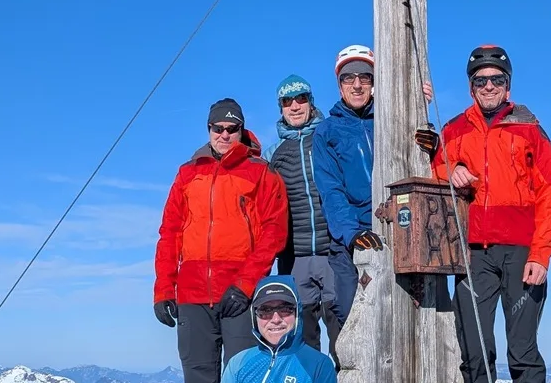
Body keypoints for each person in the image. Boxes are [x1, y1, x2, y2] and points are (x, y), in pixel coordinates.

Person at [414, 45, 551, 383]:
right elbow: (434, 167)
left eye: (497, 79)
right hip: (473, 256)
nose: (489, 86)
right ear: (471, 88)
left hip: (521, 254)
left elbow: (550, 195)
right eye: (480, 81)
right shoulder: (454, 129)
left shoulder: (530, 128)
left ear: (508, 85)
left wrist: (540, 255)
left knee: (522, 352)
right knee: (474, 351)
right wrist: (450, 172)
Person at [153, 98, 290, 383]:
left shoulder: (261, 172)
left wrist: (245, 285)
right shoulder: (188, 173)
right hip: (192, 294)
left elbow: (274, 233)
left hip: (239, 295)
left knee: (243, 375)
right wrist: (164, 289)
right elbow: (170, 232)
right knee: (198, 375)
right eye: (218, 128)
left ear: (241, 130)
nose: (224, 135)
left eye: (232, 128)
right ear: (209, 129)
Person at [264, 74, 342, 363]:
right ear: (281, 108)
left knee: (342, 329)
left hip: (333, 250)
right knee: (303, 336)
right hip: (294, 255)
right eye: (287, 102)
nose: (295, 106)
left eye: (301, 99)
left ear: (311, 102)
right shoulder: (272, 154)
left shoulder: (328, 136)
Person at [308, 45, 382, 332]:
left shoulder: (390, 119)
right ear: (339, 86)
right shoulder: (327, 131)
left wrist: (420, 110)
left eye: (365, 76)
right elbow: (331, 190)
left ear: (374, 83)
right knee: (352, 316)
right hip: (350, 237)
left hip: (394, 229)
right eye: (348, 78)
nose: (357, 84)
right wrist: (352, 233)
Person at [220, 275, 337, 383]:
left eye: (285, 309)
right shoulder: (238, 363)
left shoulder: (319, 365)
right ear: (254, 316)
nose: (276, 319)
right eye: (265, 311)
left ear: (297, 313)